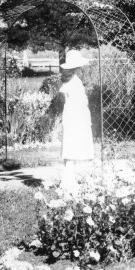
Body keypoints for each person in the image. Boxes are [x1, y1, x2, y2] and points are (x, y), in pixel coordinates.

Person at [58, 49, 94, 187]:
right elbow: (79, 103)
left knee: (71, 147)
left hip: (70, 116)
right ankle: (69, 181)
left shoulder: (67, 81)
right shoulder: (75, 81)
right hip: (77, 118)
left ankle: (70, 178)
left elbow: (65, 100)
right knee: (74, 147)